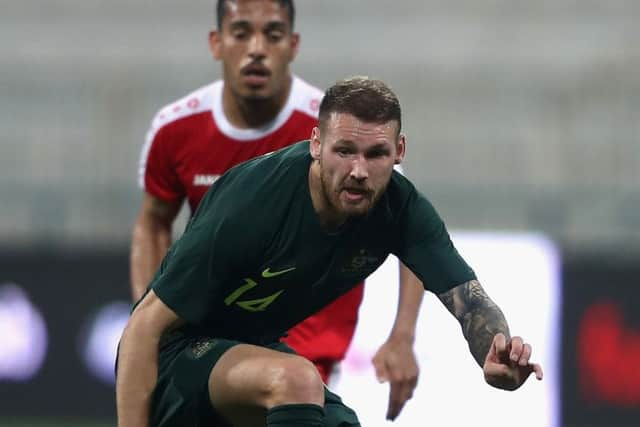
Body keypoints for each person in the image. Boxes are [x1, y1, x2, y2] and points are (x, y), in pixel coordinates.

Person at [117, 76, 544, 427]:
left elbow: (471, 302)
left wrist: (494, 351)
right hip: (175, 360)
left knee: (339, 423)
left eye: (376, 154)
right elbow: (143, 327)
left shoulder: (403, 210)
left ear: (399, 152)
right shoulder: (252, 203)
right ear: (316, 144)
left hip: (251, 353)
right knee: (298, 380)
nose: (359, 171)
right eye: (344, 151)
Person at [130, 0, 424, 394]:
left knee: (292, 388)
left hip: (309, 354)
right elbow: (153, 223)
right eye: (240, 33)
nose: (256, 48)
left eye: (272, 34)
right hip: (216, 344)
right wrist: (153, 323)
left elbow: (412, 228)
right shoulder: (177, 129)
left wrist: (402, 337)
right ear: (217, 43)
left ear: (293, 44)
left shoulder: (340, 130)